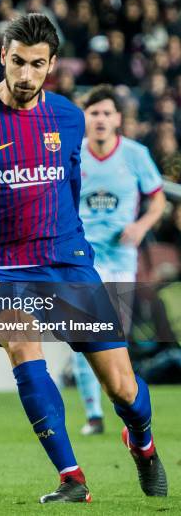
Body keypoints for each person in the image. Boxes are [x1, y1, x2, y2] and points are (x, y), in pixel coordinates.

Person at [0, 13, 167, 503]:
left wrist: (74, 247)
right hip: (4, 269)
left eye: (36, 65)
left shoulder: (67, 117)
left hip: (68, 264)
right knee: (21, 342)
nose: (25, 74)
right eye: (17, 62)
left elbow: (71, 184)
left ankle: (142, 443)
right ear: (3, 57)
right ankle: (71, 478)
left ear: (51, 65)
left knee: (123, 388)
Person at [74, 85, 166, 435]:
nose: (100, 119)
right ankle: (93, 415)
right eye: (94, 113)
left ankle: (122, 410)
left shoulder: (135, 154)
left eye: (106, 113)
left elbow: (157, 200)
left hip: (121, 257)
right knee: (81, 333)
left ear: (118, 119)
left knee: (114, 337)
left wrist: (141, 226)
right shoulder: (72, 153)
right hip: (82, 258)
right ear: (85, 118)